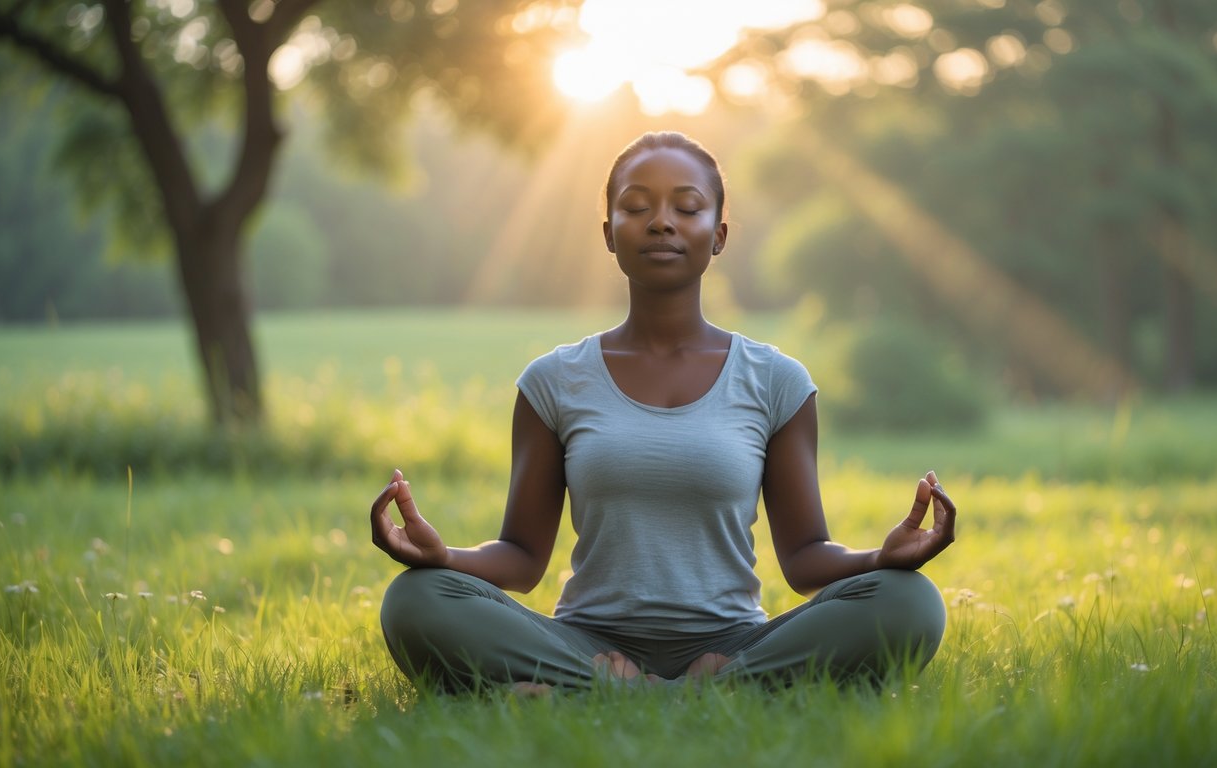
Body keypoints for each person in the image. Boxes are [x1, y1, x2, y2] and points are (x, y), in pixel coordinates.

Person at [371, 131, 958, 693]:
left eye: (687, 207)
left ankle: (606, 693)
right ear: (608, 232)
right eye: (636, 206)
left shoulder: (778, 381)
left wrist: (883, 558)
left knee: (909, 602)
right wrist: (441, 556)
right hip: (584, 642)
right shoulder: (553, 381)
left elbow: (805, 559)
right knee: (416, 600)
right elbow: (522, 559)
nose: (661, 221)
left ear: (719, 234)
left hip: (732, 645)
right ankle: (704, 693)